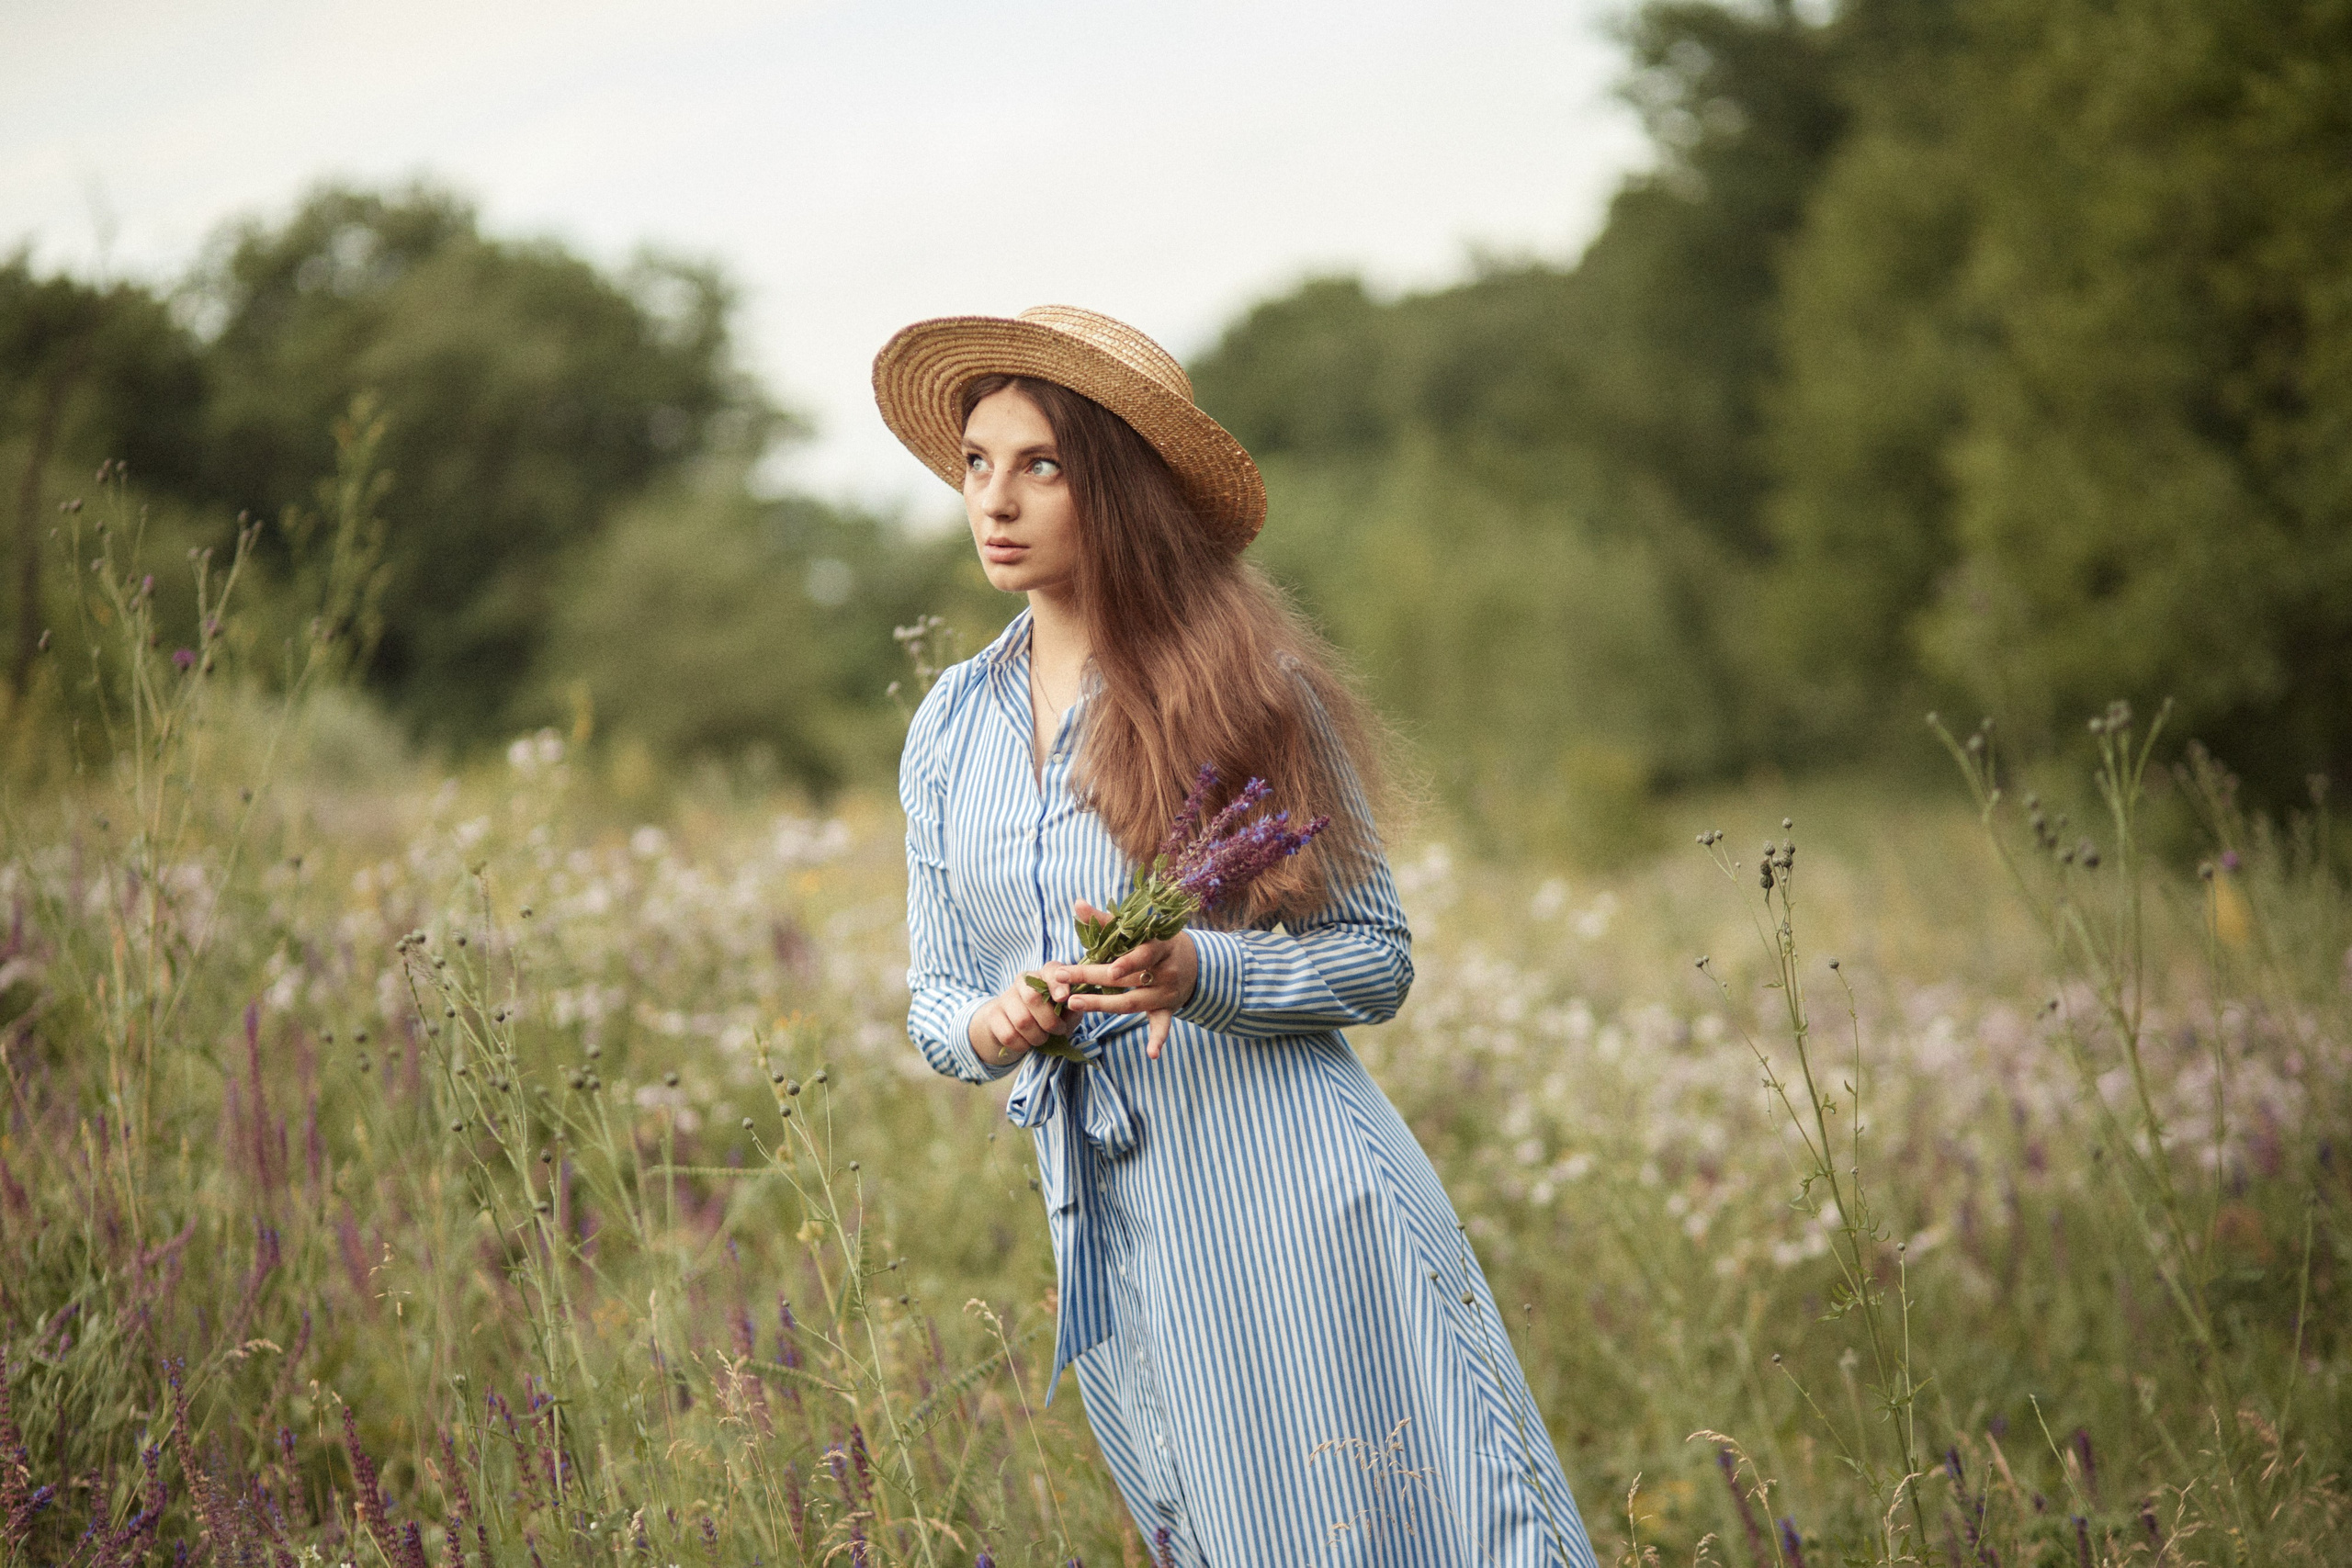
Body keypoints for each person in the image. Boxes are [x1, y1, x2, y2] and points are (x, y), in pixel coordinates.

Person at [876, 306, 1597, 1568]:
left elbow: (1376, 957)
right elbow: (938, 996)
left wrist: (1199, 969)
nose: (995, 499)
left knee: (1408, 1530)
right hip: (1108, 1219)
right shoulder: (949, 726)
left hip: (1295, 1197)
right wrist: (999, 1020)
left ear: (1117, 487)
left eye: (1041, 465)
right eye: (979, 463)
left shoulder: (1248, 690)